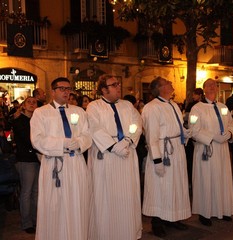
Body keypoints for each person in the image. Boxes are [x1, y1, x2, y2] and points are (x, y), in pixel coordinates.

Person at [30, 77, 92, 240]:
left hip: (76, 163)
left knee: (76, 202)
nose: (66, 92)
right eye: (62, 88)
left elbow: (87, 135)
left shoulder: (79, 111)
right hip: (54, 164)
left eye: (68, 88)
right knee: (54, 205)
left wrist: (78, 143)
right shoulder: (41, 112)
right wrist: (63, 143)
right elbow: (37, 140)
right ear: (53, 91)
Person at [86, 74, 142, 240]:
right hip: (106, 157)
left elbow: (136, 125)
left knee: (127, 195)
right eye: (114, 84)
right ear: (104, 89)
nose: (119, 86)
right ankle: (106, 234)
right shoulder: (93, 107)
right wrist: (113, 147)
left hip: (126, 154)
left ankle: (128, 232)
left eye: (118, 83)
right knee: (105, 196)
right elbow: (94, 128)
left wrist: (125, 142)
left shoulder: (127, 105)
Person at [141, 77, 191, 238]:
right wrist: (157, 160)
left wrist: (185, 132)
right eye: (168, 82)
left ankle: (173, 217)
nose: (171, 83)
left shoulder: (173, 105)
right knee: (160, 186)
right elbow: (151, 136)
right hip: (163, 151)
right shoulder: (151, 107)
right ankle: (157, 221)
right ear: (160, 87)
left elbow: (176, 125)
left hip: (177, 149)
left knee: (176, 184)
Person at [189, 78, 233, 226]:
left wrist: (229, 133)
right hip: (206, 149)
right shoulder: (197, 108)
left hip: (222, 150)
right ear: (204, 89)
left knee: (222, 178)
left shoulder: (223, 107)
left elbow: (232, 123)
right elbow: (193, 128)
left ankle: (222, 209)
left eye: (214, 85)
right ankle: (205, 212)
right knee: (206, 179)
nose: (213, 87)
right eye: (209, 85)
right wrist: (212, 137)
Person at [12, 97, 40, 234]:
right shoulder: (19, 121)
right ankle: (26, 222)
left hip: (37, 159)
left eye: (34, 102)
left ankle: (36, 220)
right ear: (23, 106)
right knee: (27, 192)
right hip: (25, 159)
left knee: (36, 192)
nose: (32, 104)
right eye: (29, 102)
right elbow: (28, 139)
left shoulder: (37, 120)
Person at [183, 88, 204, 191]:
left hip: (203, 134)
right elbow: (187, 120)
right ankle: (192, 182)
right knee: (191, 160)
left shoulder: (205, 104)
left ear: (200, 95)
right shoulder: (191, 105)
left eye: (194, 94)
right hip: (192, 137)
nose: (193, 96)